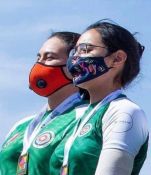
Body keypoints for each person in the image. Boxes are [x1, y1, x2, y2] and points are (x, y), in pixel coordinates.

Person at [54, 20, 149, 175]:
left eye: (85, 49)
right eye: (75, 51)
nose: (75, 58)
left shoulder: (124, 111)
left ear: (117, 58)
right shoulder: (80, 116)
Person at [0, 31, 88, 175]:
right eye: (38, 58)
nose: (39, 65)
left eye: (50, 57)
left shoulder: (86, 116)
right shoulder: (21, 125)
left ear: (75, 64)